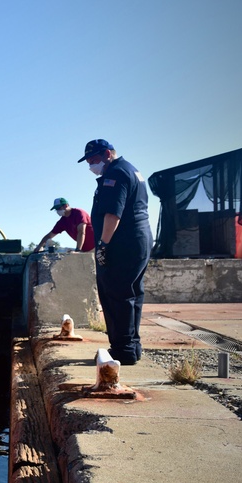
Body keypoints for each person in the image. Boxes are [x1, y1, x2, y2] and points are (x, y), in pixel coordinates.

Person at [79, 139, 152, 365]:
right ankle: (132, 346)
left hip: (123, 243)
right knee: (131, 294)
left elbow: (113, 214)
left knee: (116, 294)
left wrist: (103, 245)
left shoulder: (117, 174)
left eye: (94, 159)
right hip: (138, 240)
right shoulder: (131, 170)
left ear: (108, 154)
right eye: (88, 161)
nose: (91, 165)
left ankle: (123, 350)